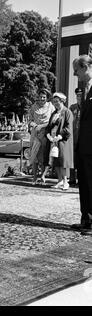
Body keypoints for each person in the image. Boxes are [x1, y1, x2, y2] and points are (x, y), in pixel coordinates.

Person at [71, 55, 92, 235]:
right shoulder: (85, 89)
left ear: (85, 67)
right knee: (84, 185)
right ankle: (86, 219)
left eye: (76, 70)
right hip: (84, 146)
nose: (74, 74)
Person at [42, 92, 73, 190]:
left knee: (62, 161)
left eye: (57, 101)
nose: (55, 103)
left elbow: (68, 127)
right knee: (55, 161)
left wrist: (60, 136)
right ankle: (59, 181)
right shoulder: (54, 113)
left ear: (62, 101)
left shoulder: (67, 112)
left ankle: (65, 182)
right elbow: (49, 126)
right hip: (53, 140)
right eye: (54, 102)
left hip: (62, 140)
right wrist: (48, 135)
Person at [28, 88, 55, 184]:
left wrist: (42, 126)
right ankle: (34, 177)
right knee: (34, 156)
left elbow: (53, 121)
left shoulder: (51, 107)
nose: (42, 99)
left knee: (44, 156)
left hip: (46, 133)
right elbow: (30, 120)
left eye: (44, 97)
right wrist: (34, 125)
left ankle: (42, 176)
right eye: (40, 97)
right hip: (35, 134)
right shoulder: (33, 107)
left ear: (47, 98)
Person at [69, 87, 83, 185]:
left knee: (82, 159)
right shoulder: (72, 107)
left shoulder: (87, 107)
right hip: (73, 137)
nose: (79, 97)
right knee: (72, 159)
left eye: (81, 95)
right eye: (78, 95)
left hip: (83, 139)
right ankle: (72, 179)